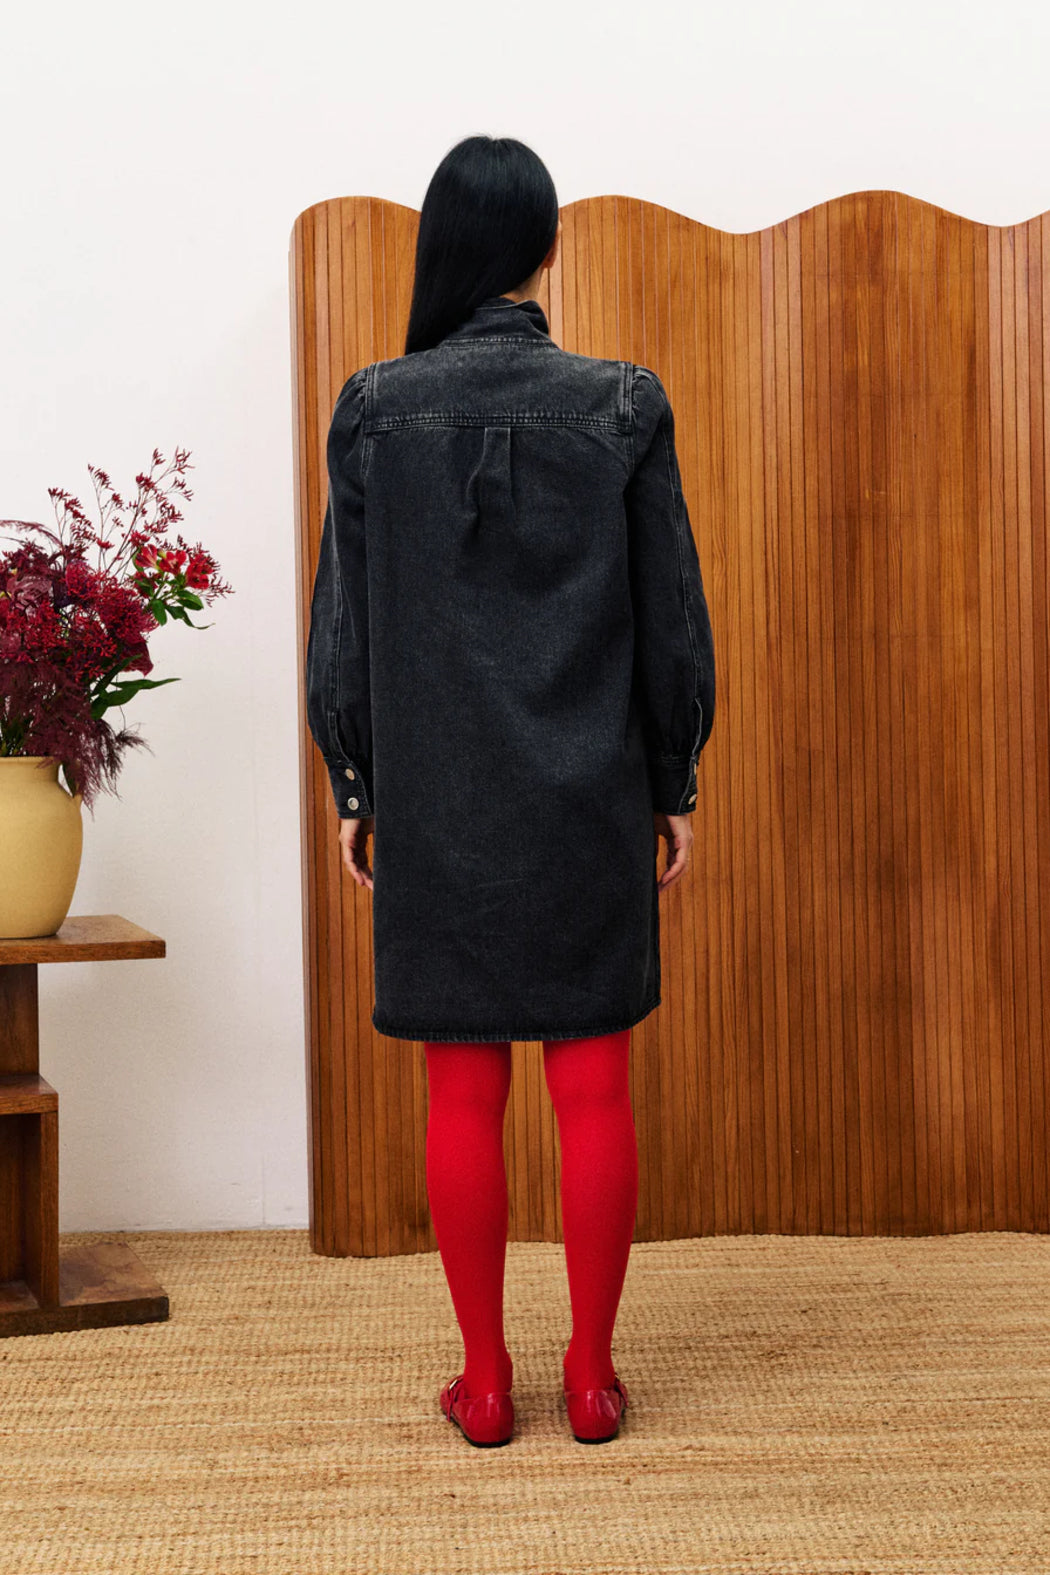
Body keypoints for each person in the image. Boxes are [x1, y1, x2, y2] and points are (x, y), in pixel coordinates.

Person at [305, 135, 716, 1447]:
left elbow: (345, 623)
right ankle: (590, 1379)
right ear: (545, 248)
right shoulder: (622, 405)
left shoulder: (374, 411)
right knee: (592, 1091)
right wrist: (673, 774)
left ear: (443, 247)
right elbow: (670, 617)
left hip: (440, 807)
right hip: (587, 797)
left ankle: (484, 1386)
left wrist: (356, 779)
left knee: (461, 1096)